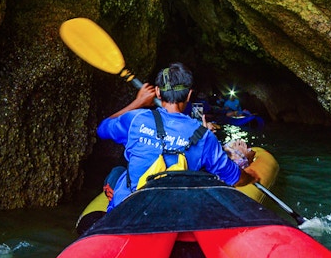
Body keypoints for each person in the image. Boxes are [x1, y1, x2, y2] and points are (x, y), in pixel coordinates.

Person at [97, 62, 258, 210]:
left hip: (129, 209)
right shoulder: (204, 136)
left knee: (117, 172)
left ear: (158, 92)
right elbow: (235, 178)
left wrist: (138, 102)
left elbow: (102, 129)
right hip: (175, 212)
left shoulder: (135, 119)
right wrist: (251, 177)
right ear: (189, 95)